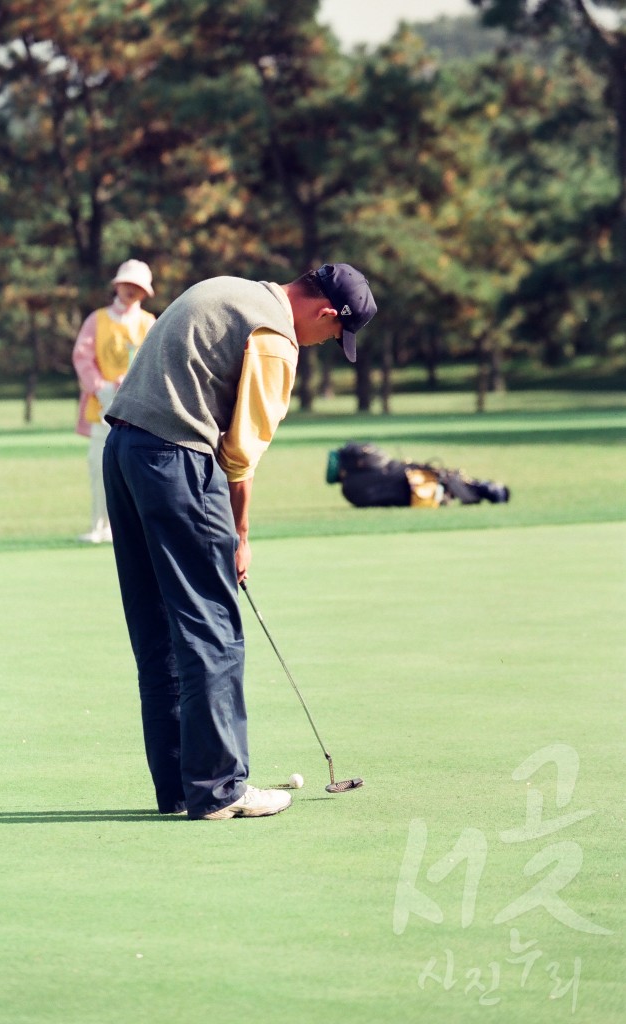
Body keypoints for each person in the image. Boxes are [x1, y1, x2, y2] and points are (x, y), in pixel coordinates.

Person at [102, 264, 377, 820]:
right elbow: (241, 453)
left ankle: (182, 788)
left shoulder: (227, 288)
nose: (323, 344)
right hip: (177, 457)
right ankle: (221, 788)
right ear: (326, 312)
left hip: (124, 452)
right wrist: (240, 536)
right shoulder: (276, 338)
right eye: (332, 336)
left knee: (158, 627)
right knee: (213, 627)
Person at [72, 260, 156, 543]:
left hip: (137, 408)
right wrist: (100, 386)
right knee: (99, 467)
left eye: (137, 286)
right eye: (127, 284)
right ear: (117, 285)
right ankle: (99, 527)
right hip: (102, 402)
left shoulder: (149, 323)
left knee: (135, 470)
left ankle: (132, 530)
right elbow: (83, 357)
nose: (131, 290)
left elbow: (155, 362)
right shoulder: (97, 319)